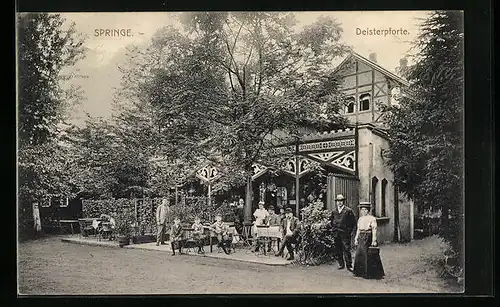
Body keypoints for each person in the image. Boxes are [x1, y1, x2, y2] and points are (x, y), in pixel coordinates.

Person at [353, 202, 385, 279]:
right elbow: (358, 229)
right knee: (359, 254)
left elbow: (374, 229)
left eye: (365, 210)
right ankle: (359, 272)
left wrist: (374, 240)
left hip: (368, 237)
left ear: (368, 210)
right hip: (361, 236)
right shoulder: (360, 219)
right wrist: (356, 238)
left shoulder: (372, 218)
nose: (363, 211)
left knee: (368, 254)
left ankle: (370, 273)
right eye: (362, 210)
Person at [330, 194, 356, 271]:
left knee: (346, 249)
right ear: (336, 202)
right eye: (338, 201)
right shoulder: (334, 211)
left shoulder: (348, 211)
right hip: (336, 233)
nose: (339, 202)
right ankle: (341, 264)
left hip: (345, 234)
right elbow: (331, 221)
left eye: (341, 201)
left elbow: (353, 223)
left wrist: (349, 232)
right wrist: (333, 229)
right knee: (338, 249)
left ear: (343, 201)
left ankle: (349, 265)